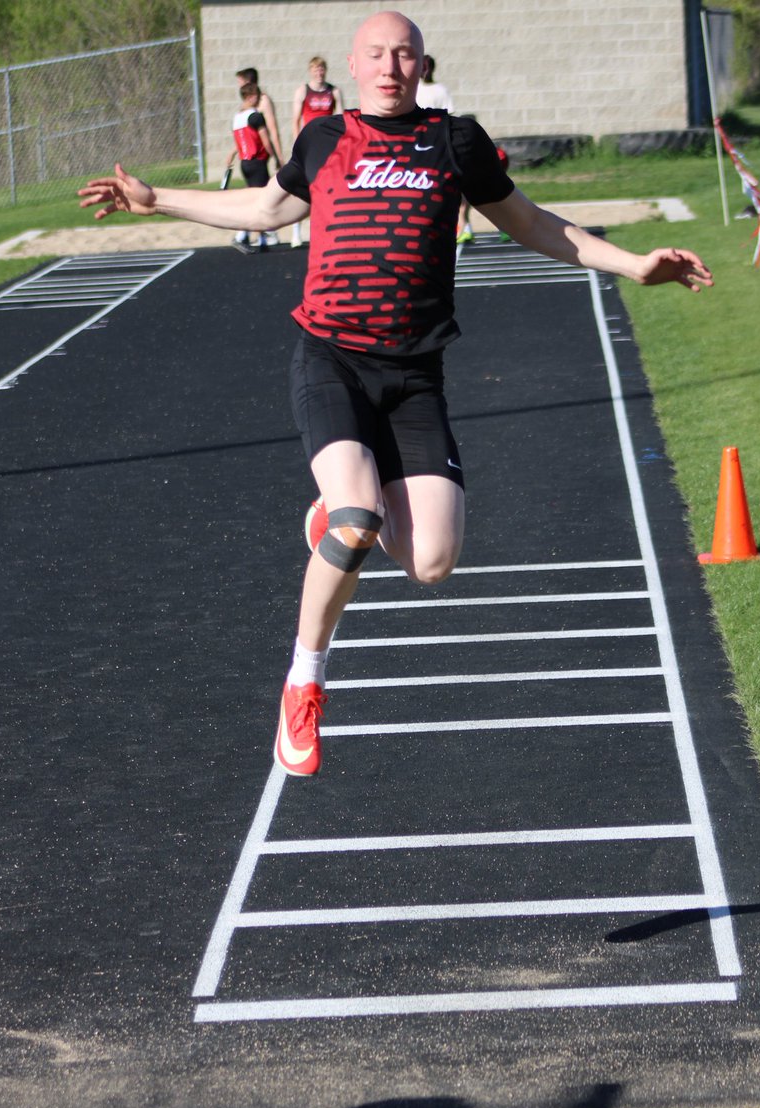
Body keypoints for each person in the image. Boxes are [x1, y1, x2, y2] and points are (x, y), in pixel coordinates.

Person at [79, 10, 713, 779]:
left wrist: (633, 264)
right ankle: (304, 681)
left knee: (433, 561)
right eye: (376, 54)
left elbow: (531, 224)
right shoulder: (323, 139)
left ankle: (337, 512)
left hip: (415, 375)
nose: (389, 66)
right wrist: (157, 200)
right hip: (332, 361)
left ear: (421, 64)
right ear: (352, 65)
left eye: (404, 54)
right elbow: (266, 210)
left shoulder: (455, 141)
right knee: (356, 521)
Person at [289, 57, 344, 248]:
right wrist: (298, 144)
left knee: (325, 186)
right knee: (302, 185)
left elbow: (341, 118)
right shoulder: (303, 91)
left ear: (325, 70)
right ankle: (296, 231)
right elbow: (295, 120)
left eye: (321, 69)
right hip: (308, 142)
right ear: (310, 71)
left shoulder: (334, 91)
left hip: (326, 144)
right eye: (315, 69)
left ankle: (322, 229)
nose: (319, 73)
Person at [226, 82, 281, 253]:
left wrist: (232, 154)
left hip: (245, 163)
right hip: (257, 162)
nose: (259, 100)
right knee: (260, 201)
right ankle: (241, 235)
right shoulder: (255, 117)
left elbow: (240, 142)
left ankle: (262, 239)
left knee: (255, 199)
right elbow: (265, 141)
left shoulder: (237, 118)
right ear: (250, 97)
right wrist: (276, 157)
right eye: (257, 96)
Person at [236, 67, 284, 246]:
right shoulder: (248, 113)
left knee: (258, 197)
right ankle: (254, 234)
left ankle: (261, 234)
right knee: (258, 197)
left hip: (254, 159)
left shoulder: (260, 104)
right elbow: (247, 136)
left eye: (241, 83)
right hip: (252, 160)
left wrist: (278, 156)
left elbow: (271, 131)